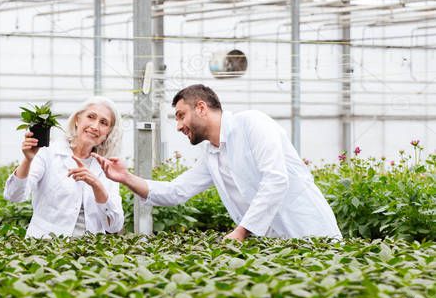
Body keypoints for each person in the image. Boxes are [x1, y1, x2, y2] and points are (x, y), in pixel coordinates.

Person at [95, 84, 341, 241]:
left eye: (181, 116)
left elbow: (276, 180)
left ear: (201, 107)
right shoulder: (212, 155)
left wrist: (242, 232)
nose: (179, 126)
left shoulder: (253, 124)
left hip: (310, 232)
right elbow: (176, 191)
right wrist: (126, 178)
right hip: (278, 246)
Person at [4, 96, 125, 238]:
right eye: (91, 117)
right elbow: (14, 195)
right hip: (45, 250)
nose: (95, 126)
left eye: (103, 123)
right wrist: (28, 160)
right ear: (77, 119)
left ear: (108, 133)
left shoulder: (107, 167)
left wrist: (97, 185)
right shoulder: (48, 152)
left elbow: (114, 225)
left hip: (90, 252)